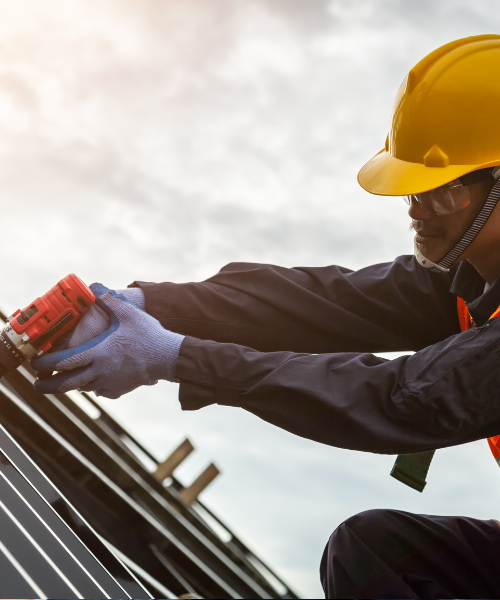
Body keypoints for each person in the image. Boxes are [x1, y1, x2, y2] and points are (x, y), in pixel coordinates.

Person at [32, 35, 500, 598]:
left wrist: (172, 356)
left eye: (442, 194)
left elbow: (402, 400)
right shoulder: (472, 278)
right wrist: (152, 304)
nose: (417, 211)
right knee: (373, 552)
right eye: (413, 191)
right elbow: (328, 303)